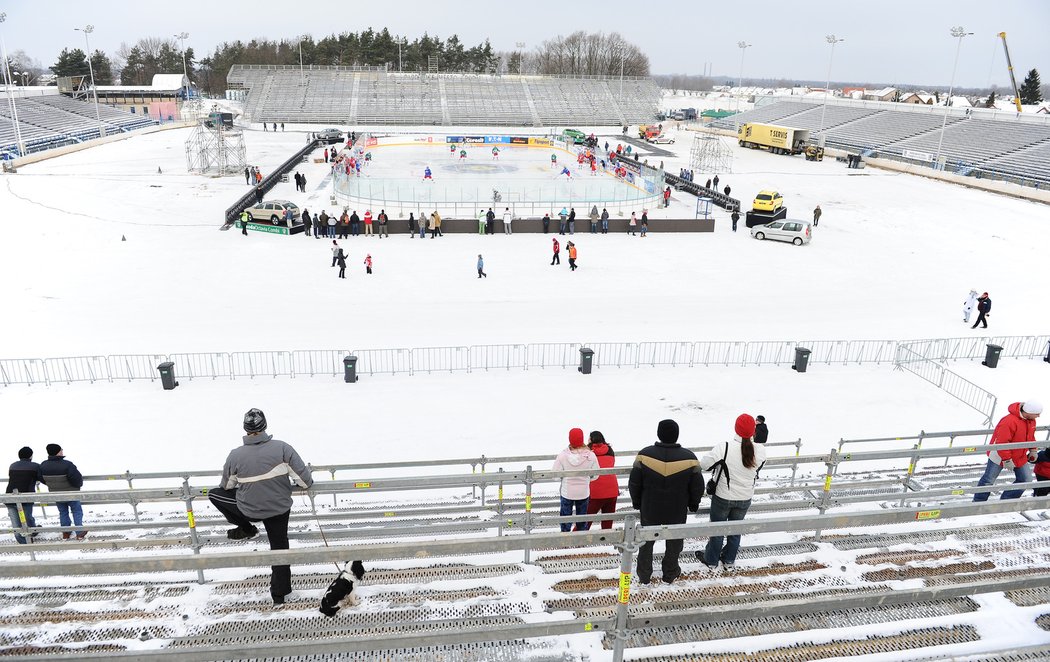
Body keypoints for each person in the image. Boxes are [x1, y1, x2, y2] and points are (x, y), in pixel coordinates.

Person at [208, 409, 314, 605]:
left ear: (245, 429)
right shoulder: (283, 448)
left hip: (250, 510)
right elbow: (306, 482)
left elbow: (226, 487)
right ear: (265, 426)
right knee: (279, 548)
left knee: (214, 494)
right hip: (279, 509)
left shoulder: (235, 456)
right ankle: (280, 594)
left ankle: (247, 528)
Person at [629, 419, 703, 584]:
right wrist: (694, 502)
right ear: (676, 435)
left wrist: (636, 501)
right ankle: (670, 573)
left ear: (659, 434)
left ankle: (644, 575)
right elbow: (698, 485)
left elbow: (634, 482)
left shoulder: (644, 455)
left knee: (646, 542)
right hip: (677, 509)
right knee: (675, 542)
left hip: (650, 508)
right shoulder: (690, 458)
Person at [697, 414, 767, 570]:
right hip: (745, 497)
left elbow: (704, 465)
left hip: (723, 496)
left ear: (736, 428)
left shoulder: (725, 447)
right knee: (735, 530)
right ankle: (729, 560)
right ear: (753, 430)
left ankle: (712, 560)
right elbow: (756, 469)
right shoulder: (760, 450)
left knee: (717, 529)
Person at [973, 400, 1041, 501]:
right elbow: (1002, 442)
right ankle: (978, 502)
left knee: (1026, 480)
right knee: (988, 480)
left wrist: (1033, 450)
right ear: (1028, 412)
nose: (1038, 416)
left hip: (1019, 455)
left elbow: (1030, 437)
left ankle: (1007, 499)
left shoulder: (1031, 421)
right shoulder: (1008, 421)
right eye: (1036, 414)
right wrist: (1007, 459)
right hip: (999, 455)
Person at [552, 428, 599, 532]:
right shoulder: (591, 455)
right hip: (583, 492)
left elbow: (554, 475)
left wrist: (563, 478)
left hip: (567, 492)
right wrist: (586, 480)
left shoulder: (562, 456)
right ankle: (581, 540)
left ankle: (565, 538)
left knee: (565, 518)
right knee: (582, 518)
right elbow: (596, 475)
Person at [39, 443, 86, 540]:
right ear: (58, 452)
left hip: (56, 494)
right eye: (61, 450)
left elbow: (42, 478)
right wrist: (77, 486)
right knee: (76, 511)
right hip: (71, 493)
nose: (62, 451)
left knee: (63, 512)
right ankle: (79, 532)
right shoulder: (67, 464)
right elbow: (77, 479)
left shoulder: (43, 465)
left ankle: (66, 532)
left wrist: (52, 486)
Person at [583, 432, 618, 530]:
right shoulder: (610, 450)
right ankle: (606, 542)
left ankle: (573, 543)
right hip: (612, 490)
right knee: (607, 523)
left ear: (591, 440)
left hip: (596, 491)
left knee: (585, 521)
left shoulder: (588, 452)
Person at [6, 446, 39, 544]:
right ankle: (32, 532)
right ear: (31, 456)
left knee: (16, 523)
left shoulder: (12, 465)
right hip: (25, 497)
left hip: (9, 497)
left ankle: (23, 541)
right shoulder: (35, 466)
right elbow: (41, 478)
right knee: (27, 517)